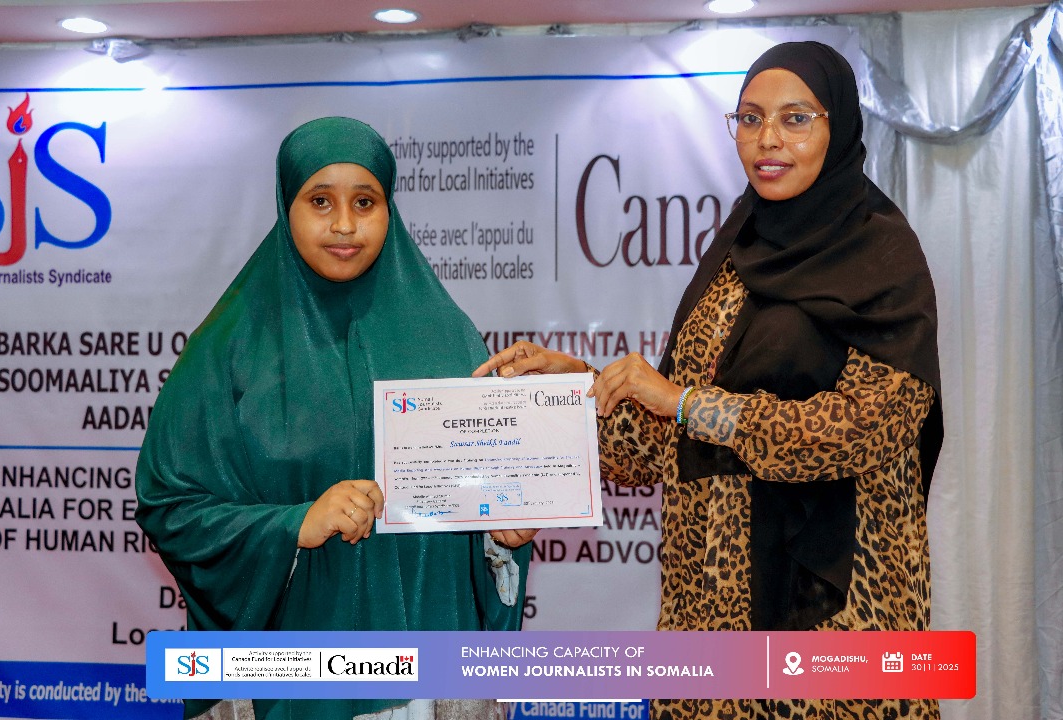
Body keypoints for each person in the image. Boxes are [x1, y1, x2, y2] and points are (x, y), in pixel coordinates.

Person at [474, 41, 943, 720]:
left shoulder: (881, 255)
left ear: (837, 126)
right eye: (749, 119)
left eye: (795, 119)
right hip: (706, 624)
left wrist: (694, 405)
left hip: (834, 619)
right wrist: (577, 389)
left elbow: (869, 430)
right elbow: (656, 445)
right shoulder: (733, 256)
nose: (767, 140)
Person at [136, 116, 533, 720]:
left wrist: (499, 536)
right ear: (286, 204)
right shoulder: (229, 348)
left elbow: (482, 492)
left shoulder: (450, 341)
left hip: (428, 673)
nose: (344, 224)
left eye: (365, 202)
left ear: (389, 210)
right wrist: (292, 524)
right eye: (320, 201)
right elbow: (170, 505)